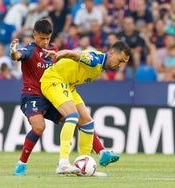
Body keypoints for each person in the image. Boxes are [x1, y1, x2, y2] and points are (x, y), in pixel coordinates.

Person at [10, 19, 120, 176]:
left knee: (79, 119)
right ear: (34, 35)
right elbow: (18, 55)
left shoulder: (53, 50)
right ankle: (22, 164)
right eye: (41, 38)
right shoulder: (30, 49)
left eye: (48, 38)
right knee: (39, 127)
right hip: (33, 94)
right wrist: (13, 51)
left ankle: (98, 154)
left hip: (53, 93)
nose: (45, 42)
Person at [39, 41, 131, 175]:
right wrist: (60, 54)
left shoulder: (101, 65)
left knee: (87, 122)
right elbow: (74, 54)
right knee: (72, 115)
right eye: (120, 60)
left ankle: (84, 166)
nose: (121, 66)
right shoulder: (96, 60)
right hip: (54, 80)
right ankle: (63, 163)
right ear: (111, 53)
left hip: (68, 85)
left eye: (124, 63)